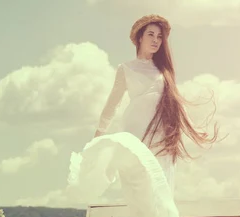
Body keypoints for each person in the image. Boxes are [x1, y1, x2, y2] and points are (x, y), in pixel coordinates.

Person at [93, 14, 220, 195]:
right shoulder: (126, 69)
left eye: (159, 36)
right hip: (135, 136)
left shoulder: (163, 71)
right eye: (151, 35)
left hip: (161, 137)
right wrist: (97, 137)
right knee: (139, 191)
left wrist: (193, 128)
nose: (156, 40)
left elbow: (176, 103)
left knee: (160, 191)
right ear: (140, 37)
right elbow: (112, 105)